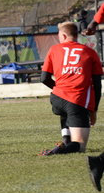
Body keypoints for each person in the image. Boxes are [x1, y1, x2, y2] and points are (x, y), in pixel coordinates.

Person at [39, 22, 103, 156]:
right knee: (79, 146)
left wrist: (58, 88)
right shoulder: (90, 52)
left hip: (57, 98)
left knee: (66, 110)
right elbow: (97, 84)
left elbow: (44, 78)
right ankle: (58, 150)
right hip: (77, 100)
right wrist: (94, 110)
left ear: (63, 35)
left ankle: (65, 139)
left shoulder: (54, 49)